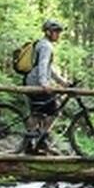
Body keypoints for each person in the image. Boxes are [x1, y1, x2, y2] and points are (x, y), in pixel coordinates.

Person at [23, 19, 71, 154]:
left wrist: (62, 82)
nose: (58, 35)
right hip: (36, 84)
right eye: (56, 32)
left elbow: (49, 68)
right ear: (49, 32)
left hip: (31, 81)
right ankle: (38, 141)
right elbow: (43, 65)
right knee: (54, 110)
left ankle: (35, 143)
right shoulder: (46, 46)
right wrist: (44, 83)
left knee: (38, 112)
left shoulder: (43, 44)